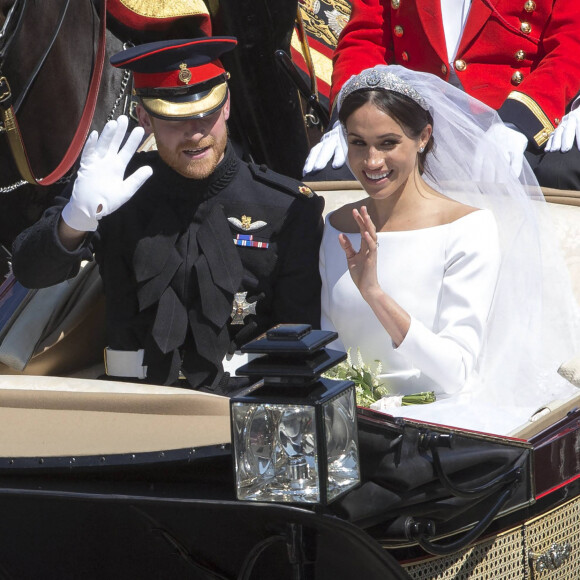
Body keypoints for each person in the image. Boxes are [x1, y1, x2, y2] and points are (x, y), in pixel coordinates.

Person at [11, 37, 324, 395]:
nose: (194, 134)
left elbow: (299, 335)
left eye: (206, 114)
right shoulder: (114, 187)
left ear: (226, 107)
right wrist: (75, 221)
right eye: (175, 120)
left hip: (242, 403)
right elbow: (29, 271)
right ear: (145, 117)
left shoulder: (285, 205)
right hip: (130, 403)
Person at [320, 65, 580, 434]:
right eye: (358, 143)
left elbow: (454, 374)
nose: (371, 161)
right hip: (347, 424)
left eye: (388, 143)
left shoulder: (467, 228)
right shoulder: (336, 227)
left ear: (423, 137)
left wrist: (375, 294)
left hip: (438, 424)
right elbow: (328, 351)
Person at [304, 0, 580, 190]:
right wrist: (351, 116)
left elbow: (569, 47)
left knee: (558, 176)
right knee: (331, 176)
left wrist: (518, 123)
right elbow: (366, 39)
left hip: (506, 126)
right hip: (412, 123)